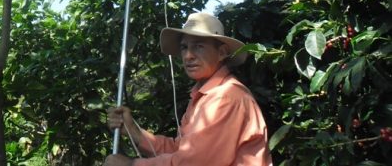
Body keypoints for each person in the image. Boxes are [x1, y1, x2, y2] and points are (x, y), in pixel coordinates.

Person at [104, 12, 273, 166]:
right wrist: (134, 131)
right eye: (184, 47)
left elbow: (193, 162)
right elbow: (181, 150)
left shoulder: (225, 97)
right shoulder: (204, 95)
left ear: (221, 53)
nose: (188, 56)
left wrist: (131, 165)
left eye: (199, 46)